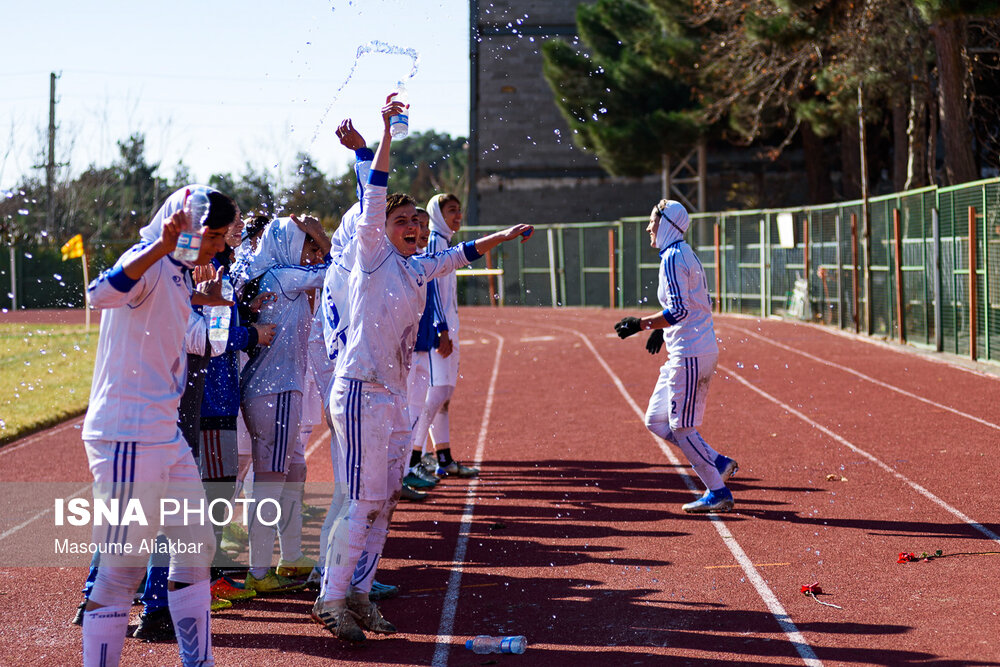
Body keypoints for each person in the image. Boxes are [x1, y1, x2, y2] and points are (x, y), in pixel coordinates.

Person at [313, 93, 534, 643]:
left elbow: (460, 255)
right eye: (402, 220)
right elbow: (376, 190)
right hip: (360, 390)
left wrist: (501, 238)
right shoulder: (371, 253)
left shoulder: (417, 268)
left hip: (390, 395)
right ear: (379, 226)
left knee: (385, 501)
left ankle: (359, 593)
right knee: (363, 501)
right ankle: (331, 597)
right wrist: (383, 136)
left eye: (417, 220)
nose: (412, 226)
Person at [80, 185, 236, 667]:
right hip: (127, 431)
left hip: (163, 434)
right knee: (122, 569)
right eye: (213, 237)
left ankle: (198, 661)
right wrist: (159, 249)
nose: (219, 248)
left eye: (222, 239)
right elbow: (98, 293)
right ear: (184, 226)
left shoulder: (178, 276)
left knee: (198, 547)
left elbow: (207, 345)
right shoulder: (151, 261)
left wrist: (213, 305)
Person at [614, 199, 738, 513]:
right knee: (657, 420)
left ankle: (718, 490)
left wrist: (642, 324)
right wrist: (660, 327)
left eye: (652, 222)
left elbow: (681, 309)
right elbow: (688, 303)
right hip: (687, 349)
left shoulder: (672, 257)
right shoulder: (682, 254)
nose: (648, 228)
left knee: (681, 427)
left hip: (691, 352)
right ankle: (717, 461)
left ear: (666, 223)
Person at [239, 214, 331, 594]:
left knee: (292, 472)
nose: (310, 253)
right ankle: (259, 574)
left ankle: (289, 557)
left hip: (273, 389)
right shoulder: (284, 276)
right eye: (305, 245)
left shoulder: (267, 274)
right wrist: (323, 236)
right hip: (274, 392)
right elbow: (341, 269)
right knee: (269, 484)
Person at [410, 193, 479, 477]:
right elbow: (434, 290)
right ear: (438, 213)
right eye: (451, 210)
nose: (458, 216)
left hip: (449, 326)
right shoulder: (435, 242)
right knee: (435, 394)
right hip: (440, 331)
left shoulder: (443, 240)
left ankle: (443, 458)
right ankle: (414, 458)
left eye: (459, 210)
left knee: (443, 395)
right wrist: (442, 329)